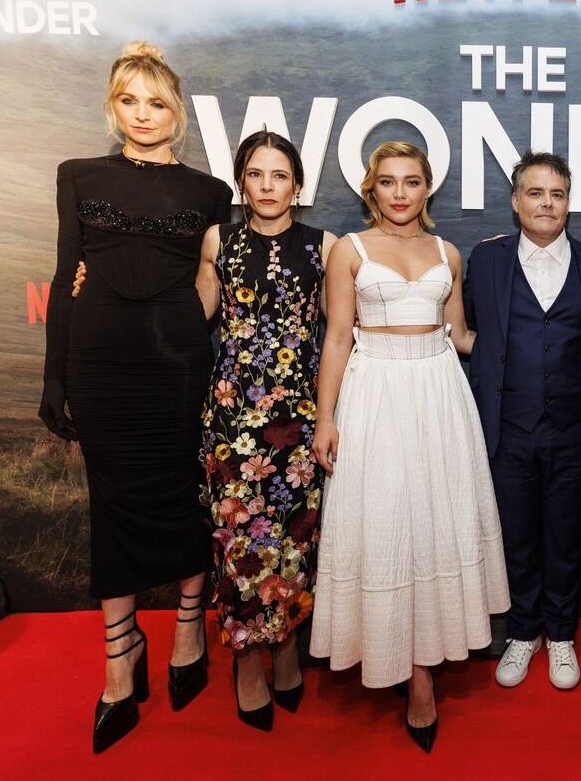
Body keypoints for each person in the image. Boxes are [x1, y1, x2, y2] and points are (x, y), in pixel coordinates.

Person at [39, 41, 231, 753]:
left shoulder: (211, 193)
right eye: (129, 101)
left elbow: (217, 288)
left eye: (157, 103)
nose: (143, 116)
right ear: (111, 105)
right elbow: (65, 278)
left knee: (183, 497)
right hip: (100, 364)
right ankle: (120, 660)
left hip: (180, 363)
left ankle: (187, 632)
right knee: (112, 506)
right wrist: (53, 377)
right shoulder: (79, 175)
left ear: (176, 112)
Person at [309, 141, 509, 753]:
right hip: (374, 394)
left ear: (428, 189)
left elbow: (461, 335)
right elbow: (338, 336)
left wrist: (528, 340)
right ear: (372, 188)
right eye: (389, 182)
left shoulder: (448, 252)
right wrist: (324, 419)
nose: (401, 193)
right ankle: (395, 657)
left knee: (434, 525)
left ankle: (423, 674)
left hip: (440, 395)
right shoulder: (350, 249)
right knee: (387, 525)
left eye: (413, 181)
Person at [197, 129, 336, 731]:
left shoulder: (324, 247)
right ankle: (248, 661)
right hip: (233, 418)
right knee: (238, 544)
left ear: (298, 185)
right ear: (241, 181)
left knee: (294, 541)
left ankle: (285, 649)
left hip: (300, 419)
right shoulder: (218, 241)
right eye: (256, 174)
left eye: (280, 175)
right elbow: (191, 318)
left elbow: (343, 331)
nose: (268, 186)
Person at [463, 150, 581, 690]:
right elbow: (473, 332)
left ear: (569, 203)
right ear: (515, 201)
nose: (546, 203)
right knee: (517, 535)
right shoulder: (487, 260)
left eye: (557, 194)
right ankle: (524, 632)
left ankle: (562, 635)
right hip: (509, 426)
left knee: (568, 535)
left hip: (575, 429)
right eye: (535, 193)